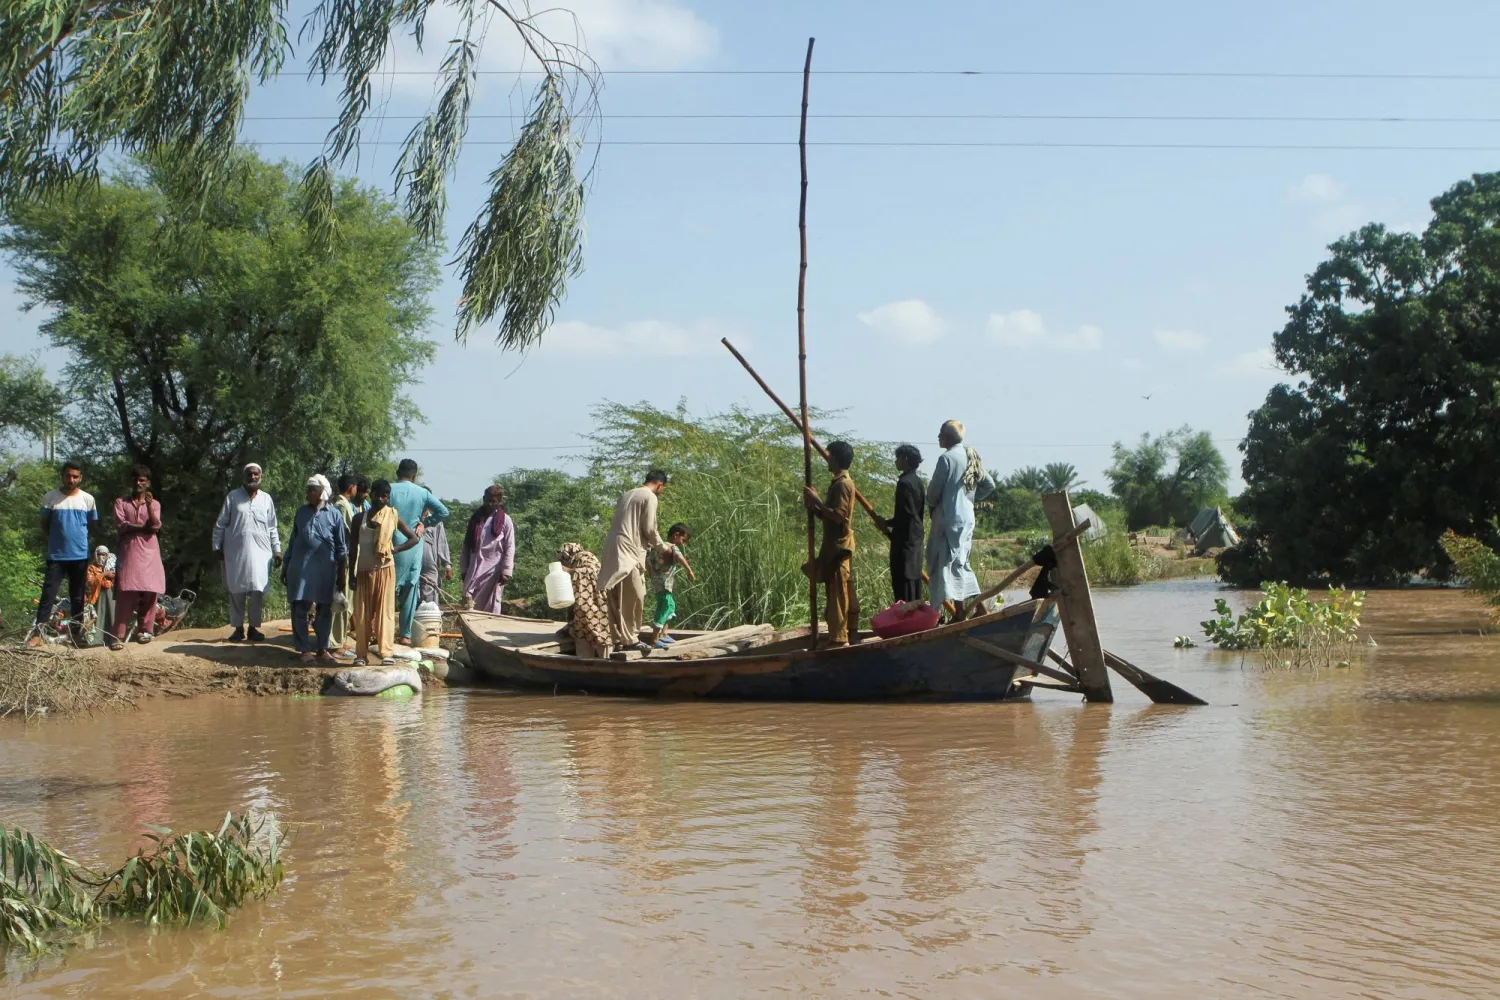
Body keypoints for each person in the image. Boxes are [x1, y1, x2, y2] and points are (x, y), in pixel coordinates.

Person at [925, 420, 995, 617]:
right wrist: (969, 500)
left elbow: (932, 493)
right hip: (966, 517)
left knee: (949, 561)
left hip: (949, 518)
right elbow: (989, 485)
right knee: (960, 562)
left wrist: (933, 501)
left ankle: (962, 611)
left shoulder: (946, 458)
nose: (938, 437)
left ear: (947, 437)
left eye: (940, 433)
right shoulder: (969, 455)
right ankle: (964, 610)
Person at [350, 479, 422, 666]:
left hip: (385, 570)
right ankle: (361, 655)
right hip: (364, 571)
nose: (382, 499)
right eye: (379, 494)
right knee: (363, 614)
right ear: (372, 494)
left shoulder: (392, 515)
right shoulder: (359, 519)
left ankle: (386, 653)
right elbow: (352, 549)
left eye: (386, 496)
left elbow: (414, 538)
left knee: (385, 613)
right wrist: (350, 575)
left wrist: (395, 549)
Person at [29, 461, 97, 648]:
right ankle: (38, 634)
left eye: (75, 476)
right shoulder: (50, 497)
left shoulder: (88, 499)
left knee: (77, 598)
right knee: (48, 596)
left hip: (79, 556)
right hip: (56, 556)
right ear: (63, 476)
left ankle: (76, 635)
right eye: (68, 476)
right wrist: (55, 540)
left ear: (80, 478)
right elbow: (44, 523)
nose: (71, 479)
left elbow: (91, 526)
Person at [598, 470, 668, 652]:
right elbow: (650, 529)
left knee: (617, 594)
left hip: (613, 546)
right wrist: (663, 548)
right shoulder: (650, 497)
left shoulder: (627, 493)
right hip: (629, 549)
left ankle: (618, 639)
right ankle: (630, 640)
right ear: (659, 485)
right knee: (635, 595)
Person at [212, 462, 282, 642]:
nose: (252, 477)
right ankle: (237, 629)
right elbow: (221, 524)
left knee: (257, 590)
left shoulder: (266, 499)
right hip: (236, 552)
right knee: (236, 591)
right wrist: (216, 546)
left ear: (261, 477)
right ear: (244, 477)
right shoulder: (233, 497)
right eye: (249, 474)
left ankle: (253, 628)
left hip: (261, 553)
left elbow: (273, 527)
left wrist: (277, 550)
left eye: (256, 474)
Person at [283, 476, 348, 664]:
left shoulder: (334, 514)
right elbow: (293, 541)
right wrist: (286, 565)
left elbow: (341, 548)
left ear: (322, 492)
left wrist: (342, 576)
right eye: (308, 489)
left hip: (325, 569)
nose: (308, 493)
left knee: (324, 608)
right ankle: (303, 650)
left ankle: (322, 648)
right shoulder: (301, 512)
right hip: (300, 568)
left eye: (312, 489)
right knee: (299, 607)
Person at [802, 441, 859, 647]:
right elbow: (829, 515)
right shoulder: (838, 483)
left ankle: (840, 639)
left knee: (838, 595)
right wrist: (815, 508)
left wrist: (817, 501)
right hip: (832, 547)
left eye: (829, 456)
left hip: (838, 548)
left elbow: (838, 516)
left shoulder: (843, 484)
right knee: (836, 591)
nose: (827, 459)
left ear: (835, 458)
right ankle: (844, 634)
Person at [388, 459, 448, 644]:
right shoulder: (422, 493)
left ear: (398, 473)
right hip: (413, 545)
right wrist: (425, 523)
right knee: (410, 590)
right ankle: (405, 635)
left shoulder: (387, 490)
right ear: (414, 476)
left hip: (388, 545)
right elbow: (443, 512)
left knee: (386, 590)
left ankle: (383, 633)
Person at [110, 464, 165, 648]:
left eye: (142, 480)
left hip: (150, 553)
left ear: (148, 483)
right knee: (127, 592)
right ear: (130, 481)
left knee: (150, 591)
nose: (138, 483)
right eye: (135, 479)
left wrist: (148, 507)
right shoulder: (121, 502)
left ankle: (145, 631)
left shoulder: (155, 503)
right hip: (129, 552)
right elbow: (121, 525)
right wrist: (143, 528)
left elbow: (156, 526)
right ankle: (118, 636)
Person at [872, 444, 925, 603]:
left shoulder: (904, 483)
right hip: (916, 536)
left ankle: (906, 618)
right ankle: (916, 616)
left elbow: (905, 515)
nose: (896, 461)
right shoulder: (918, 481)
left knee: (903, 578)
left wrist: (886, 523)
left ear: (906, 459)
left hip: (904, 540)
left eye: (898, 458)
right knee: (914, 577)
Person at [460, 485, 514, 614]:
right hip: (474, 568)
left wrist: (507, 570)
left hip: (493, 569)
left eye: (493, 501)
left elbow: (510, 546)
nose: (490, 504)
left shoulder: (505, 520)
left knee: (492, 603)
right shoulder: (476, 519)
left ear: (499, 502)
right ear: (483, 498)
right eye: (487, 500)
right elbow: (466, 545)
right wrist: (464, 568)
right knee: (468, 600)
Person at [558, 542, 612, 659]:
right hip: (582, 614)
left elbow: (592, 570)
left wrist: (570, 570)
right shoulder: (575, 563)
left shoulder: (586, 557)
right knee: (583, 643)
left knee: (601, 640)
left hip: (598, 606)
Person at [647, 523, 696, 649]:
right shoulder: (671, 547)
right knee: (664, 607)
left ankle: (664, 634)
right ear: (676, 536)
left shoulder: (656, 548)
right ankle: (654, 638)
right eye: (683, 540)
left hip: (659, 584)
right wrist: (689, 570)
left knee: (670, 605)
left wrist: (651, 574)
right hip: (664, 585)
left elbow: (648, 562)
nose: (683, 544)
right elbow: (679, 557)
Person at [327, 474, 361, 655]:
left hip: (346, 560)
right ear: (352, 488)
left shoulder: (344, 505)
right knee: (340, 601)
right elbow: (343, 536)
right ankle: (335, 643)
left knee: (345, 603)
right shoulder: (341, 506)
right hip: (343, 561)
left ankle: (339, 640)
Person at [418, 490, 452, 606]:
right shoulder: (412, 518)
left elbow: (442, 542)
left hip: (430, 564)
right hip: (413, 563)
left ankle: (430, 621)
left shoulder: (436, 521)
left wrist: (447, 564)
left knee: (430, 592)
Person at [86, 545, 116, 648]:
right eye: (99, 554)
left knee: (112, 615)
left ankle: (113, 639)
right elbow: (90, 582)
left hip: (112, 594)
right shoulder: (92, 567)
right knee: (99, 615)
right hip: (98, 595)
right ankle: (98, 640)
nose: (101, 556)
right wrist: (103, 574)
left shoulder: (112, 565)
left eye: (104, 554)